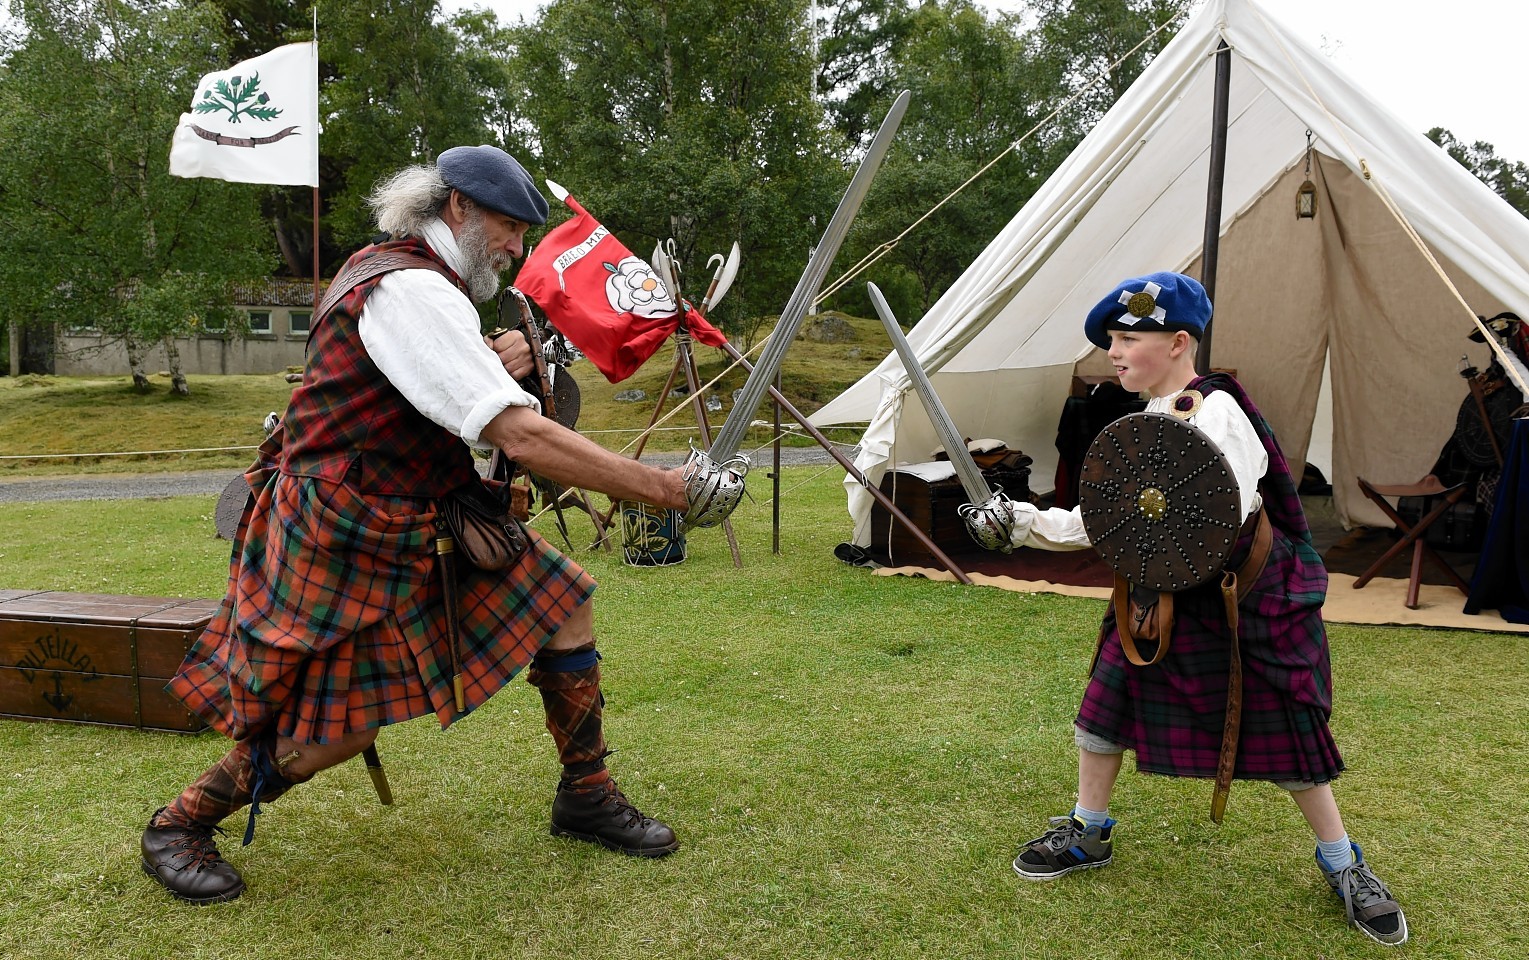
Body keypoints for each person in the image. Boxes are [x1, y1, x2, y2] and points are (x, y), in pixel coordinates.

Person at [142, 145, 699, 905]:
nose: (515, 248)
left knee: (564, 603)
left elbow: (426, 387)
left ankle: (587, 793)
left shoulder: (409, 276)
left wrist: (489, 360)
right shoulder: (409, 289)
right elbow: (520, 437)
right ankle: (179, 824)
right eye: (507, 228)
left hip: (425, 509)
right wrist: (663, 488)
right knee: (334, 733)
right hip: (346, 528)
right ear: (458, 209)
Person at [981, 272, 1407, 946]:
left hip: (1238, 599)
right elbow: (1115, 520)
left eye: (1127, 339)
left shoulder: (1216, 414)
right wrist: (1022, 520)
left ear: (1178, 342)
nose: (1113, 353)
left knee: (1289, 738)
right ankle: (1088, 831)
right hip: (1163, 592)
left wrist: (1129, 529)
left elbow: (1213, 515)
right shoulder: (1153, 416)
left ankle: (1343, 863)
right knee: (1104, 711)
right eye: (1111, 341)